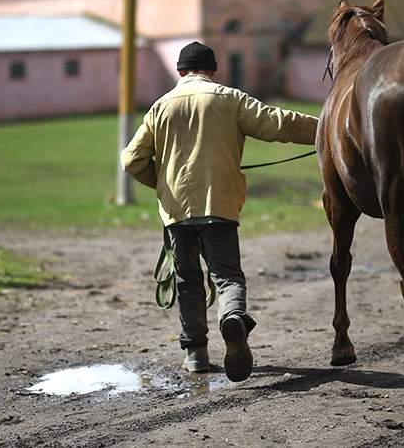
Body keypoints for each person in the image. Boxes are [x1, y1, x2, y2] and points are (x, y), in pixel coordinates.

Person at [121, 41, 319, 382]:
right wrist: (327, 128)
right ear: (212, 70)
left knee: (187, 281)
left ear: (180, 72)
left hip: (177, 212)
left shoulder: (160, 107)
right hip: (220, 205)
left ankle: (196, 354)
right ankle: (233, 317)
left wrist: (162, 183)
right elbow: (277, 123)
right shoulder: (230, 98)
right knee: (227, 277)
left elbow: (131, 160)